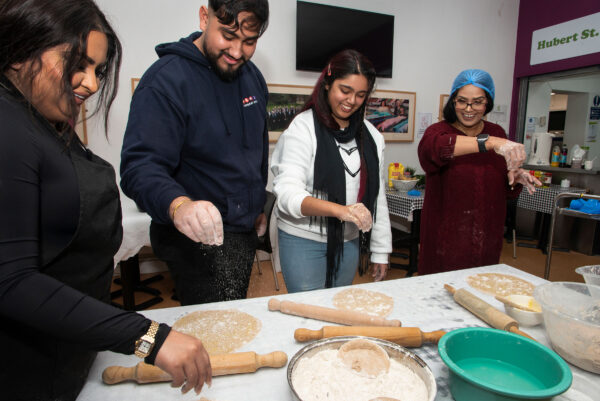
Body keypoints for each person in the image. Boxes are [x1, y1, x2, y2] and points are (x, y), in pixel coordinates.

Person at [0, 1, 213, 399]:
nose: (92, 84)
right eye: (77, 64)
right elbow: (11, 280)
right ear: (21, 49)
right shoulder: (6, 125)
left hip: (66, 353)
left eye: (98, 70)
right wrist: (148, 336)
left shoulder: (41, 123)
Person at [120, 0, 270, 305]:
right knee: (216, 330)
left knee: (234, 315)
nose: (237, 52)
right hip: (196, 238)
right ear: (204, 17)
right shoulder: (166, 81)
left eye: (249, 42)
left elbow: (255, 150)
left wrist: (257, 206)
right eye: (228, 36)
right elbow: (139, 166)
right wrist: (180, 206)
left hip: (242, 230)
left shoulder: (252, 77)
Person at [270, 49, 392, 293]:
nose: (351, 101)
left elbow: (377, 196)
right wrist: (341, 211)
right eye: (344, 91)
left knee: (338, 304)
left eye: (360, 95)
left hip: (348, 240)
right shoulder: (303, 129)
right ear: (327, 84)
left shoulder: (372, 136)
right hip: (302, 238)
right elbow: (287, 194)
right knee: (309, 311)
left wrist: (380, 250)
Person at [417, 69, 540, 275]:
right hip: (445, 240)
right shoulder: (439, 132)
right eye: (462, 101)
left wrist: (514, 179)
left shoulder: (498, 133)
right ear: (453, 101)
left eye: (477, 102)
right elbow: (434, 149)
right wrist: (490, 142)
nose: (468, 108)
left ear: (487, 103)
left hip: (486, 237)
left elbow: (503, 190)